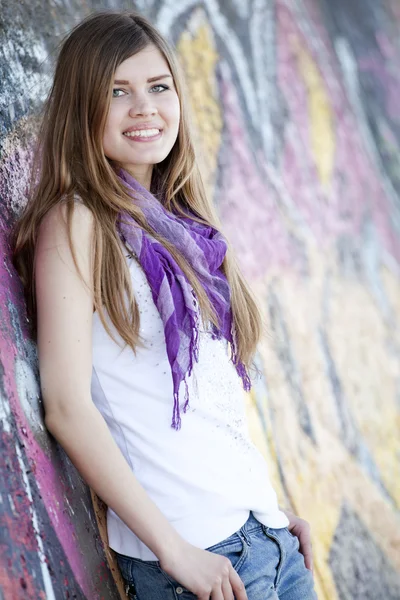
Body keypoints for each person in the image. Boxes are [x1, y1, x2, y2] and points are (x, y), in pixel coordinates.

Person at [12, 11, 317, 600]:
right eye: (117, 92)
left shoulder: (185, 232)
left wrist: (269, 507)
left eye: (158, 87)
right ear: (83, 109)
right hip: (193, 559)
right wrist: (174, 553)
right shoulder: (77, 222)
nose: (144, 107)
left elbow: (211, 405)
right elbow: (69, 408)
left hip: (269, 541)